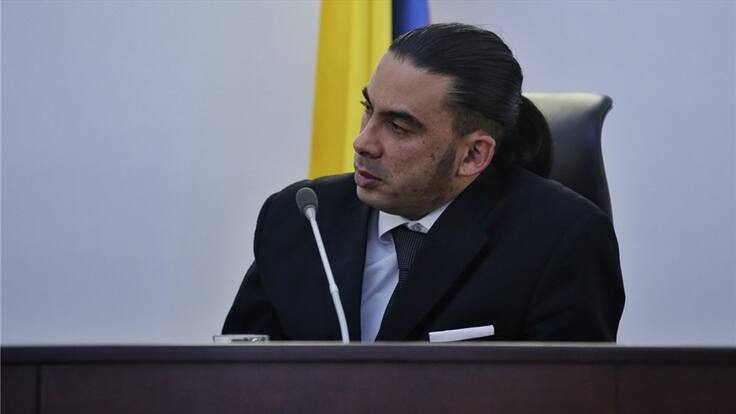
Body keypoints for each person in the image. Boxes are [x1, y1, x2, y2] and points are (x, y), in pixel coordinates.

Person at [223, 23, 624, 342]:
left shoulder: (562, 241)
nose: (362, 142)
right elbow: (237, 377)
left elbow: (568, 397)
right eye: (368, 110)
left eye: (398, 127)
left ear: (473, 155)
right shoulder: (299, 218)